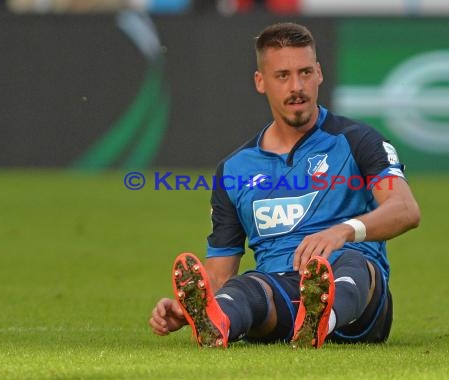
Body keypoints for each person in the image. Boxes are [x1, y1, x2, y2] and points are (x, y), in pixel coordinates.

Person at [149, 22, 420, 348]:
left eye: (305, 73)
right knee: (248, 288)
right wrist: (191, 307)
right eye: (283, 76)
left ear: (319, 73)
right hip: (281, 289)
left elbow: (405, 210)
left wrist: (343, 231)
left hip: (358, 300)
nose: (297, 86)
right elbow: (221, 271)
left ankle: (323, 318)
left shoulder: (358, 141)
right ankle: (218, 321)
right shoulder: (234, 170)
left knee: (355, 265)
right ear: (260, 82)